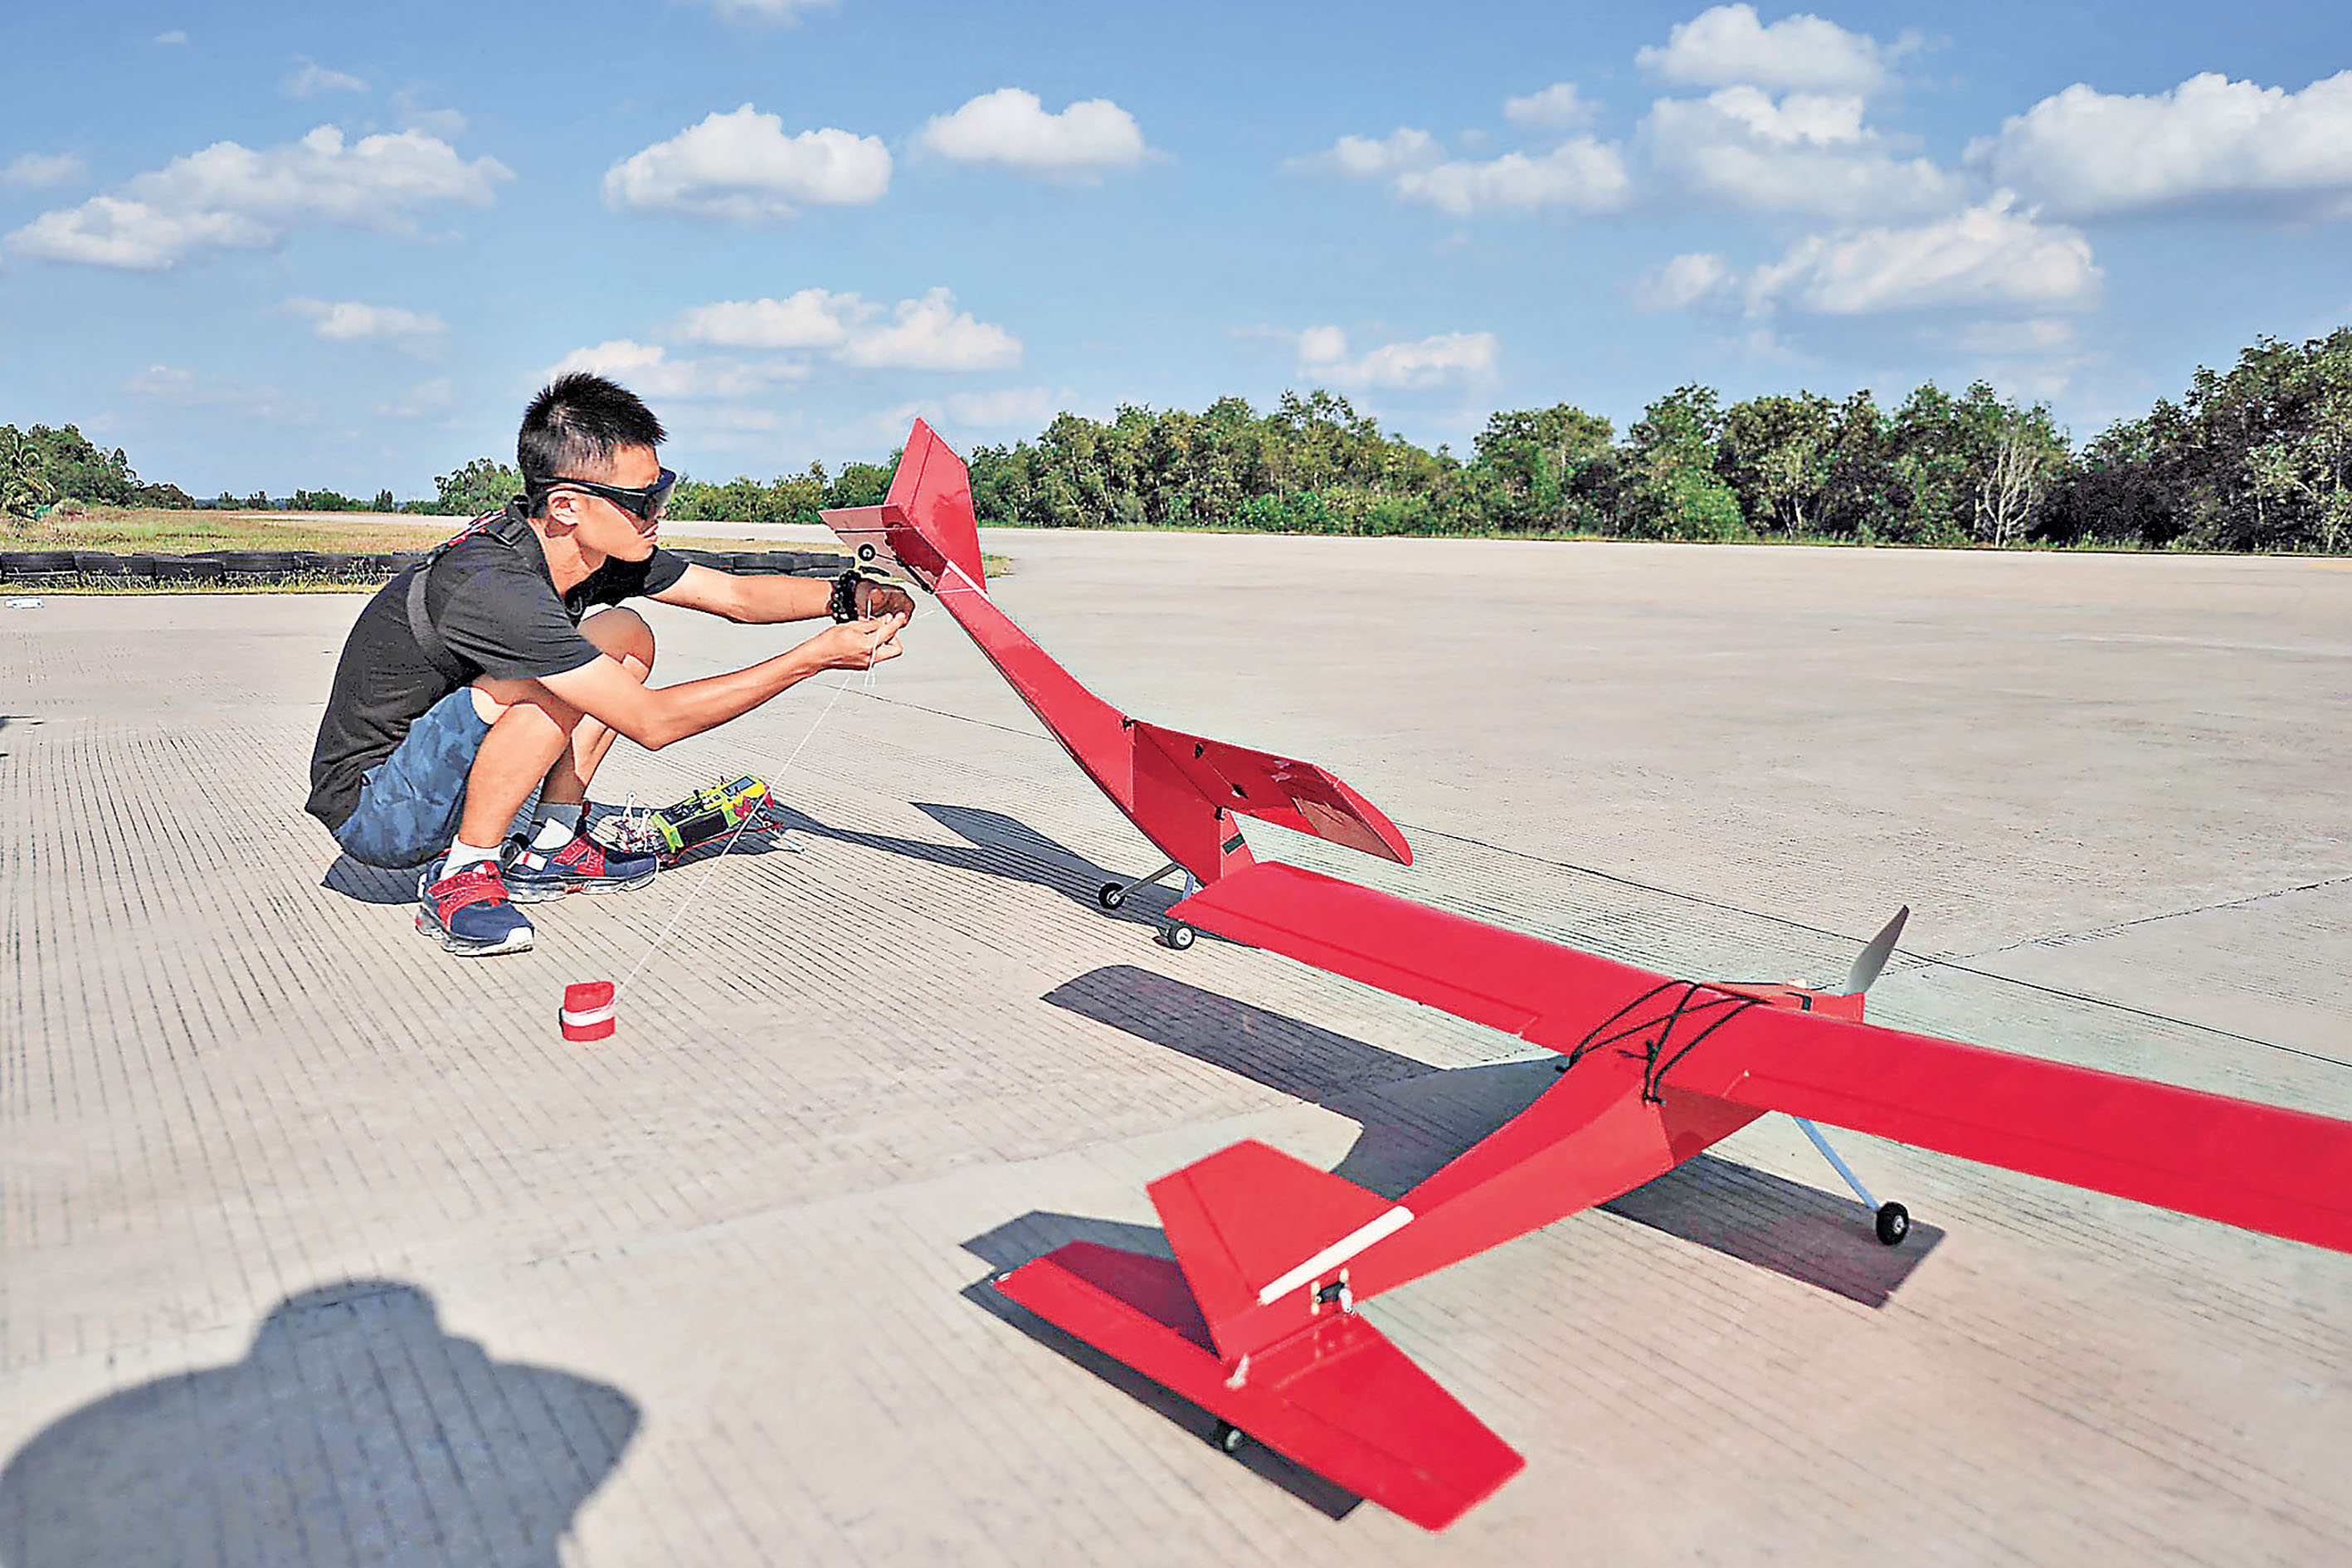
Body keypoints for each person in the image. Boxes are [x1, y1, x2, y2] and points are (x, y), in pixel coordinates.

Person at [305, 373, 913, 956]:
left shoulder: (593, 547)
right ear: (567, 504)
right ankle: (463, 873)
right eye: (644, 500)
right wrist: (812, 659)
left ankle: (551, 843)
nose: (660, 514)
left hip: (446, 765)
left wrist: (847, 596)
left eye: (663, 490)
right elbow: (651, 724)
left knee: (624, 634)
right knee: (553, 681)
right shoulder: (494, 586)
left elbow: (733, 597)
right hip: (380, 810)